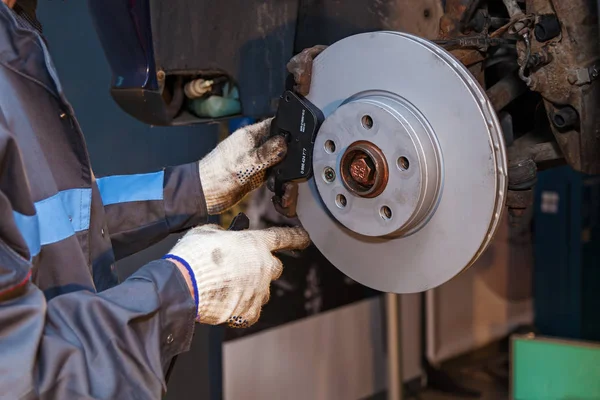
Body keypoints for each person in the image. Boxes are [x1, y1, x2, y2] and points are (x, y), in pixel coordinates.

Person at [0, 1, 311, 398]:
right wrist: (182, 287)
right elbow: (27, 375)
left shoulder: (13, 29)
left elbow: (52, 215)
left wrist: (197, 187)